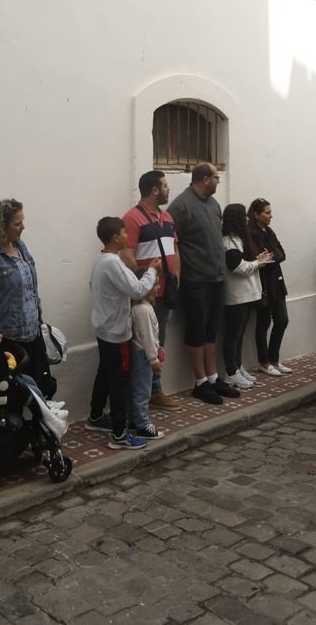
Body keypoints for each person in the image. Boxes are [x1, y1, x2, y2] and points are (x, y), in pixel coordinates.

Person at [168, 164, 239, 405]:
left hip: (217, 278)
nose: (219, 181)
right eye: (217, 177)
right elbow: (172, 242)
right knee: (196, 331)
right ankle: (200, 382)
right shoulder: (181, 206)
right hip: (195, 281)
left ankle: (212, 377)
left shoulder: (214, 204)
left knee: (211, 330)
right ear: (206, 179)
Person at [84, 217, 159, 449]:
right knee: (119, 381)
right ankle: (119, 434)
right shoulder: (112, 263)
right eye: (125, 232)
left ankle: (96, 416)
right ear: (115, 237)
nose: (128, 236)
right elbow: (137, 290)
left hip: (103, 328)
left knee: (105, 373)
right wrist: (152, 271)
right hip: (116, 332)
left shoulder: (101, 260)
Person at [0, 199, 53, 396]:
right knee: (18, 395)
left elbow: (31, 289)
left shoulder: (20, 246)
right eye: (17, 223)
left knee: (41, 390)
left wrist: (39, 320)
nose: (23, 227)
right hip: (9, 340)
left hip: (32, 333)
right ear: (1, 226)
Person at [122, 170, 183, 410]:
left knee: (160, 341)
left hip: (167, 291)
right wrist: (144, 282)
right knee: (144, 344)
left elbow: (175, 249)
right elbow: (126, 254)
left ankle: (155, 390)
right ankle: (146, 394)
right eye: (165, 186)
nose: (168, 189)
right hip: (147, 295)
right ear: (154, 190)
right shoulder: (132, 218)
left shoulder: (167, 217)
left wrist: (177, 276)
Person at [221, 203, 273, 389]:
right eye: (243, 216)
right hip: (237, 296)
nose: (246, 219)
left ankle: (238, 366)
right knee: (233, 335)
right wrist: (258, 263)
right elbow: (238, 267)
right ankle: (231, 373)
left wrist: (259, 258)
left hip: (246, 295)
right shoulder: (228, 242)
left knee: (239, 335)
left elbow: (244, 262)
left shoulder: (238, 239)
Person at [247, 198, 292, 377]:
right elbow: (259, 258)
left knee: (282, 320)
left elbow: (281, 254)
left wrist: (271, 256)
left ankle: (274, 359)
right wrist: (270, 256)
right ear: (256, 215)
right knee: (263, 323)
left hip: (277, 283)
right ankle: (264, 362)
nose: (270, 216)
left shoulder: (269, 231)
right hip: (264, 284)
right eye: (267, 213)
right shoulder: (252, 233)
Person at [126, 280, 167, 441]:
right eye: (155, 284)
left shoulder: (144, 307)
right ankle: (142, 425)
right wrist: (153, 359)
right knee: (142, 390)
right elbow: (147, 336)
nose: (159, 287)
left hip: (143, 353)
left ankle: (134, 420)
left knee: (137, 388)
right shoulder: (142, 310)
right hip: (142, 355)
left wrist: (158, 348)